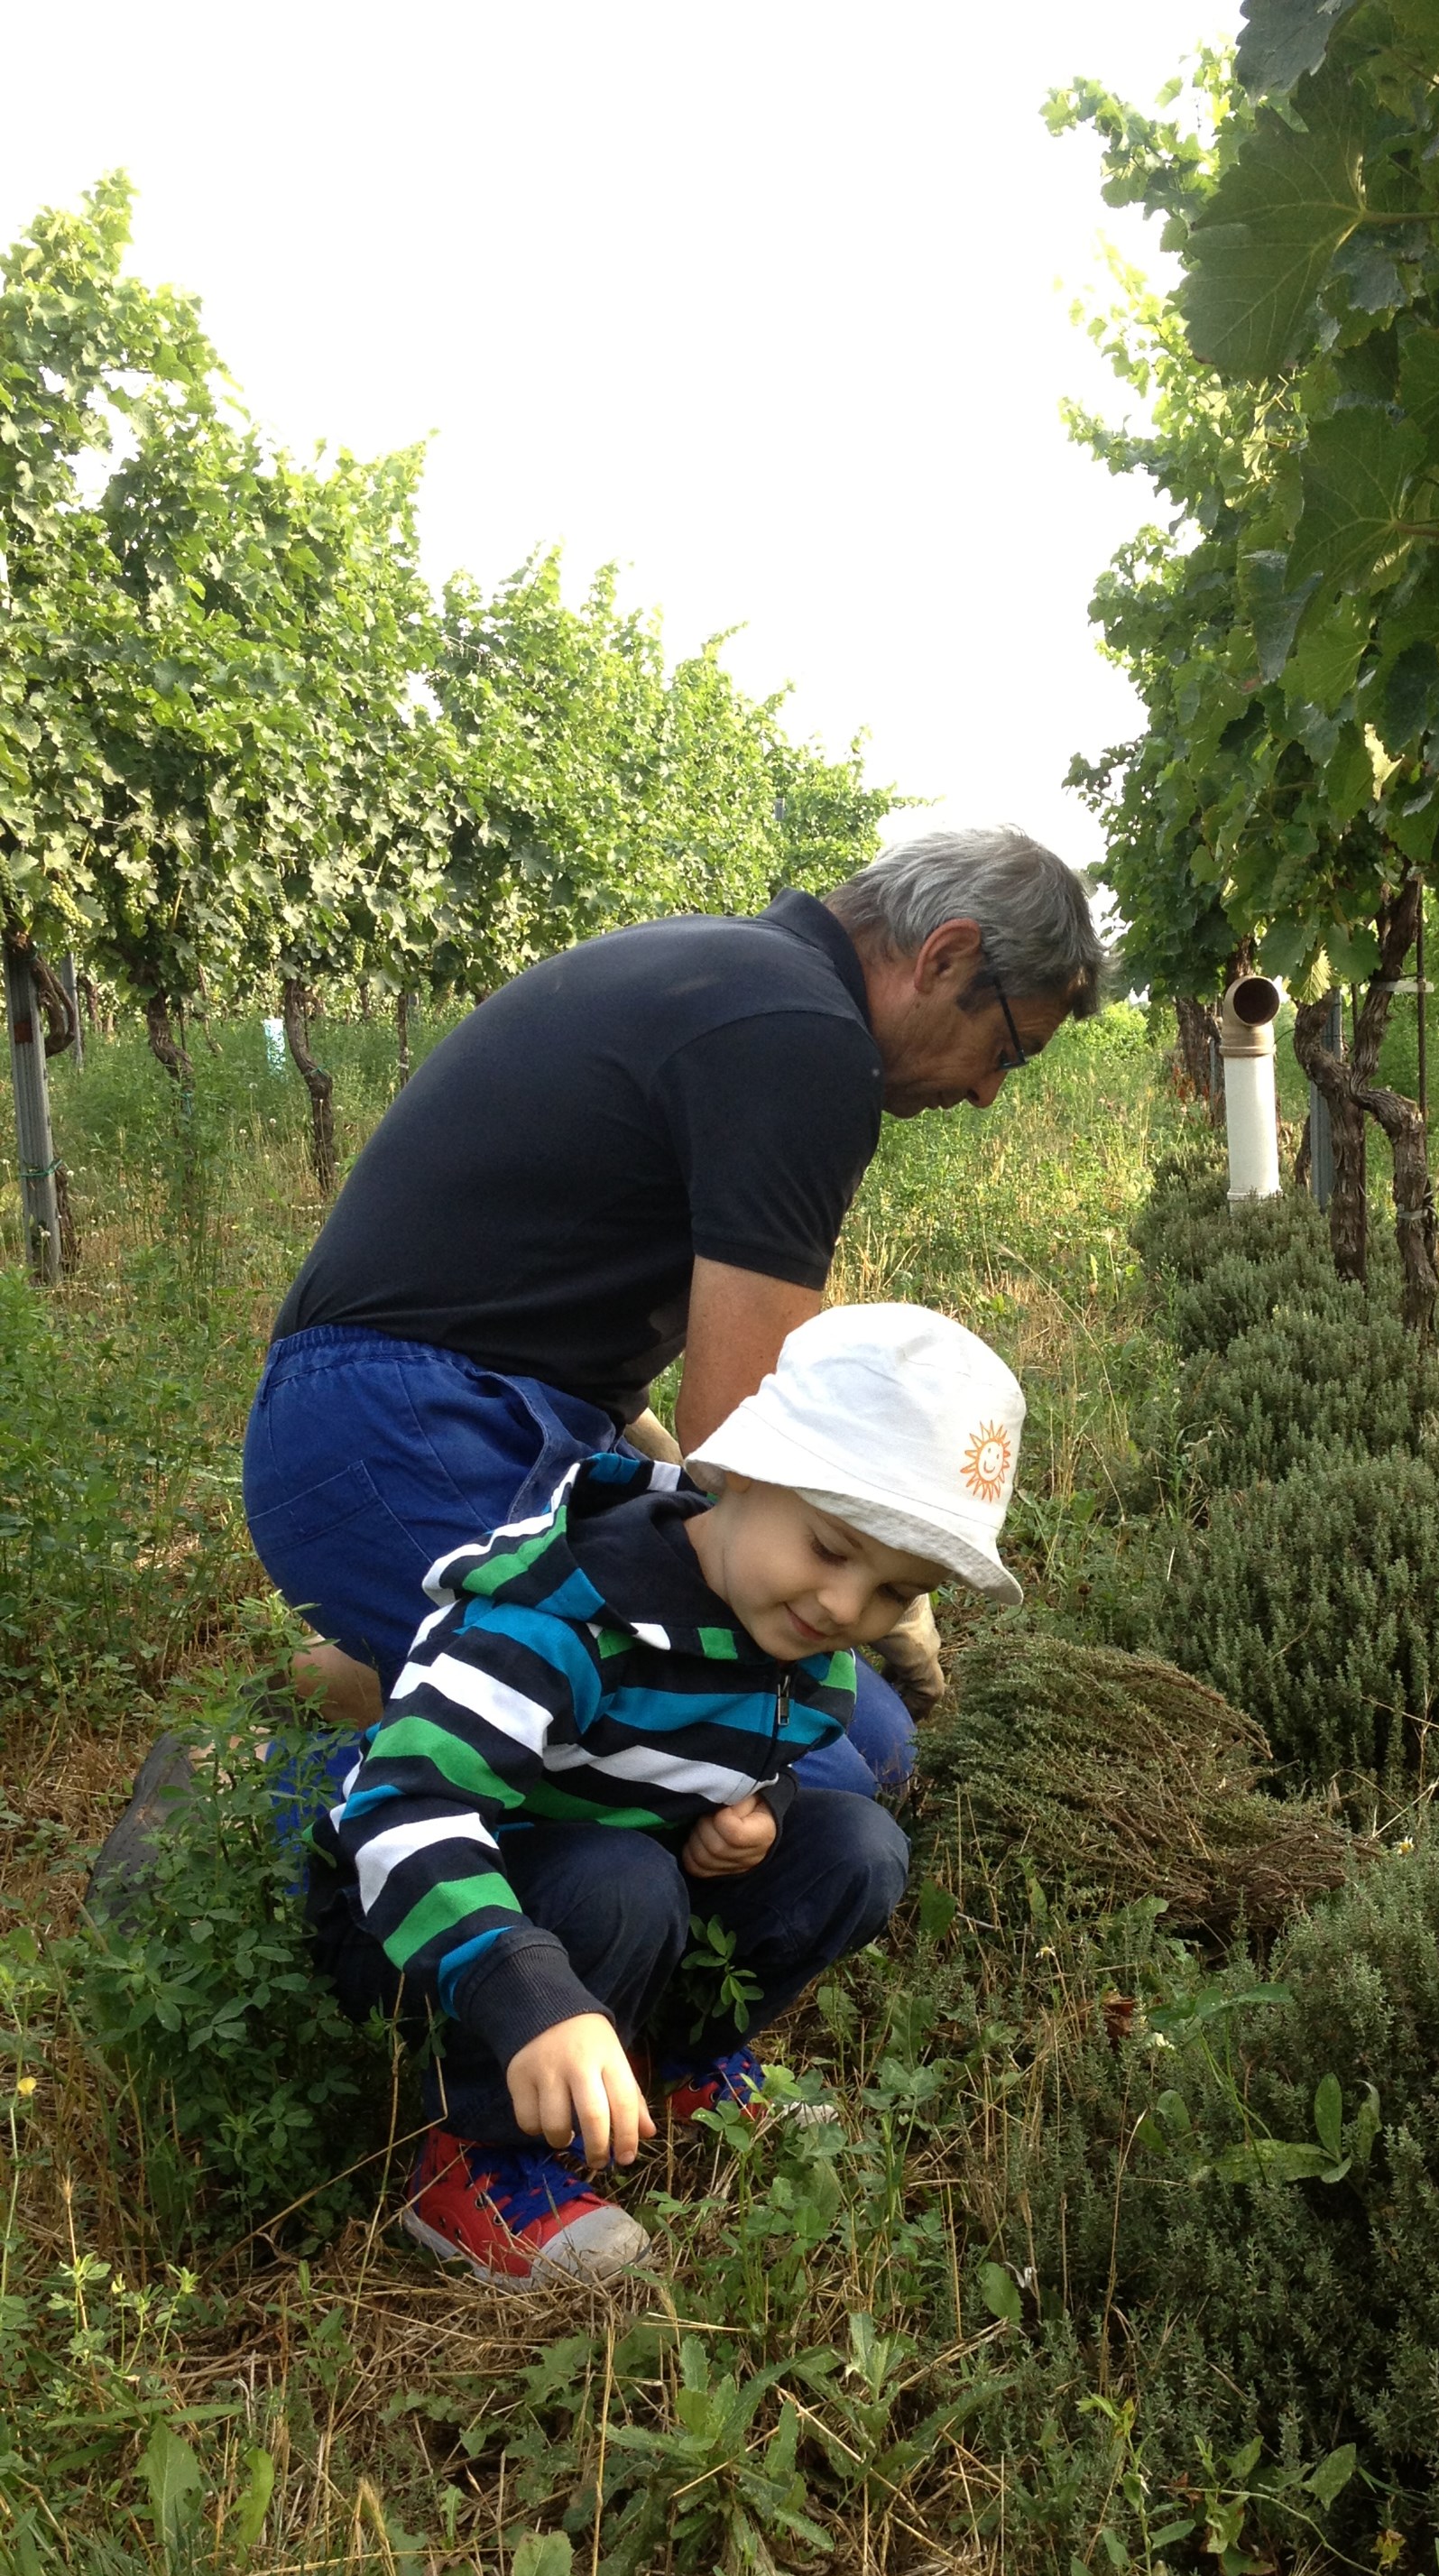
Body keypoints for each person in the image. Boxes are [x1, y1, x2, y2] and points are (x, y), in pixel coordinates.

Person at [242, 826, 1100, 1787]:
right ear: (945, 957)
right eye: (1007, 1051)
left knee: (873, 1740)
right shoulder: (807, 1037)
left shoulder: (745, 977)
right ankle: (242, 1797)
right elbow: (733, 1420)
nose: (986, 1092)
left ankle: (351, 1685)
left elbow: (565, 1330)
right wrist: (884, 1572)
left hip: (467, 1414)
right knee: (803, 1779)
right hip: (394, 1424)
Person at [312, 1303, 1026, 2288]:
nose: (844, 1607)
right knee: (626, 1877)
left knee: (856, 1843)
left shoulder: (801, 1651)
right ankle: (470, 2163)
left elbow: (760, 1746)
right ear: (740, 1470)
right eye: (829, 1546)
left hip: (606, 1894)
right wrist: (532, 1992)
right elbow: (401, 1806)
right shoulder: (567, 1613)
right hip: (416, 1923)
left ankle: (672, 2063)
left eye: (895, 1591)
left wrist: (758, 1807)